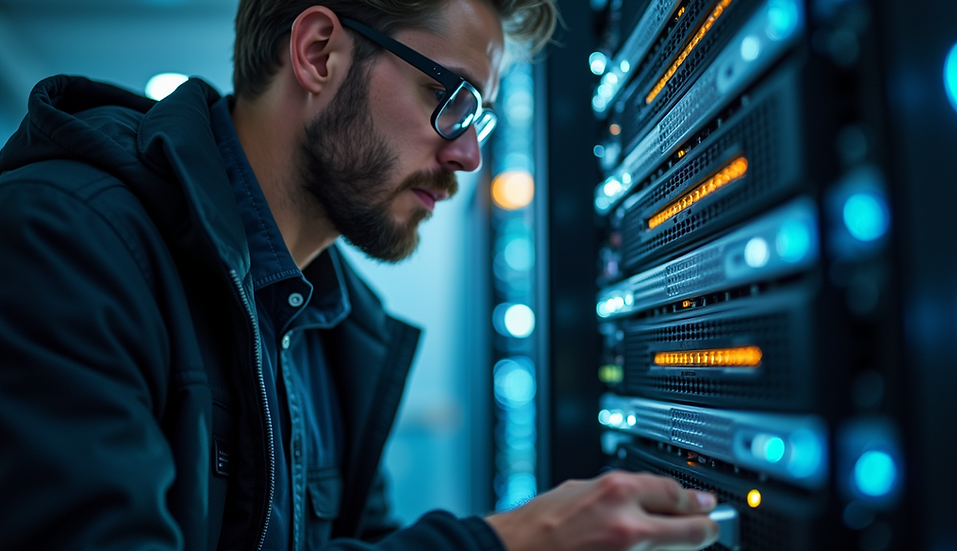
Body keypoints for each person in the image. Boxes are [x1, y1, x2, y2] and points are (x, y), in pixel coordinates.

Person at [0, 0, 721, 550]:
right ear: (319, 53)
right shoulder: (65, 239)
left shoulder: (342, 329)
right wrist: (506, 541)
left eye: (482, 119)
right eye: (455, 100)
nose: (470, 156)